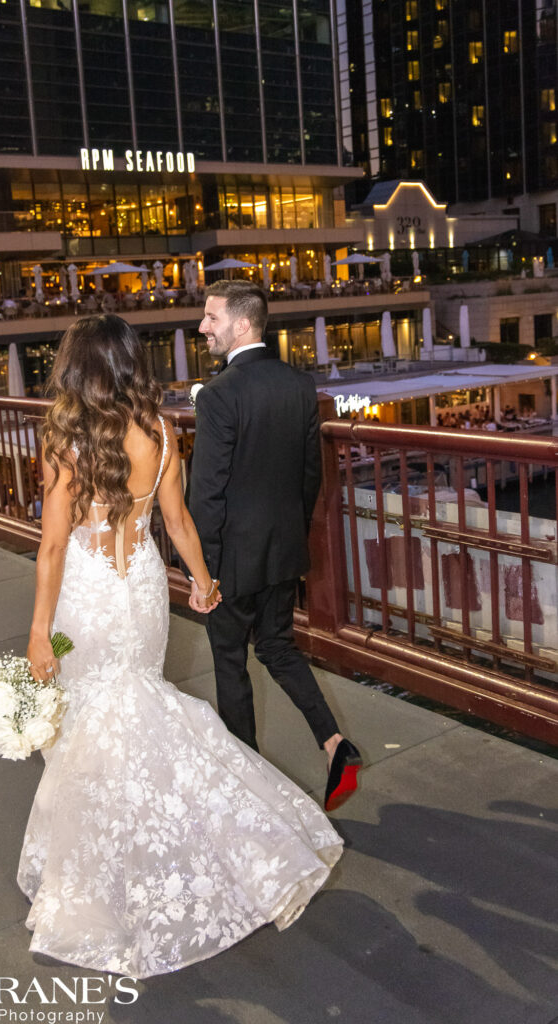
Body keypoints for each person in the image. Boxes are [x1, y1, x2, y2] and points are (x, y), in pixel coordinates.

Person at [20, 315, 343, 978]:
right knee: (135, 707)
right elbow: (177, 521)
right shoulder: (162, 430)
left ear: (75, 367)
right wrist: (201, 582)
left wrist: (35, 631)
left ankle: (108, 872)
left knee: (88, 722)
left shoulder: (63, 437)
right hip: (139, 589)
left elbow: (53, 546)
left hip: (86, 592)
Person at [188, 281, 362, 813]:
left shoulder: (219, 395)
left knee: (230, 660)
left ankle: (250, 789)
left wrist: (203, 572)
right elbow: (310, 476)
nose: (203, 327)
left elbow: (207, 493)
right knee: (278, 646)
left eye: (211, 318)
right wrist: (288, 535)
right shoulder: (298, 385)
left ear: (242, 324)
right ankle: (335, 744)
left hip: (232, 558)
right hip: (283, 548)